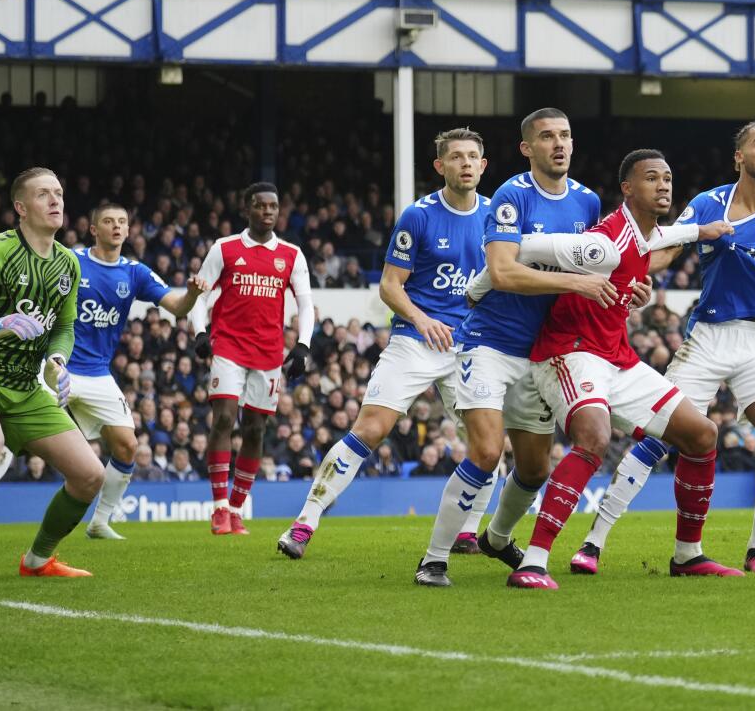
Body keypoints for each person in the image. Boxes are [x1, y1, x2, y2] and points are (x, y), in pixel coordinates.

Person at [578, 120, 755, 575]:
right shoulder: (708, 203)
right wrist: (628, 269)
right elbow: (669, 249)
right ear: (739, 157)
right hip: (708, 339)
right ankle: (593, 542)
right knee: (657, 438)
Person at [504, 149, 744, 588]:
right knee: (593, 437)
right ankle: (532, 562)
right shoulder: (608, 238)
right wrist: (484, 278)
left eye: (668, 178)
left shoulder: (638, 235)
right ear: (628, 189)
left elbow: (653, 243)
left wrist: (697, 231)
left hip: (618, 358)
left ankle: (688, 555)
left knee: (701, 434)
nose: (664, 185)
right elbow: (525, 247)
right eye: (652, 178)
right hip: (570, 351)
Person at [278, 128, 489, 563]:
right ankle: (304, 522)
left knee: (488, 441)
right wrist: (421, 319)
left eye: (473, 157)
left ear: (483, 166)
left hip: (471, 345)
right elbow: (390, 286)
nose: (466, 163)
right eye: (457, 157)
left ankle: (468, 531)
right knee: (370, 428)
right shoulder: (419, 215)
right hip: (416, 340)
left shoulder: (497, 217)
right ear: (440, 166)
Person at [443, 109, 605, 575]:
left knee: (534, 470)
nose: (559, 144)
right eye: (548, 136)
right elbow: (503, 272)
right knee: (487, 451)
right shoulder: (513, 196)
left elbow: (596, 265)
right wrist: (575, 283)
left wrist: (631, 287)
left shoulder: (588, 202)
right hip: (492, 342)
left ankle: (495, 538)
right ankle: (435, 558)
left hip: (544, 352)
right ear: (526, 148)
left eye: (566, 135)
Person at [0, 167, 103, 587]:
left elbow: (63, 327)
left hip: (25, 385)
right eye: (44, 194)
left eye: (59, 193)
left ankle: (39, 558)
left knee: (90, 475)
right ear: (21, 208)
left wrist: (58, 362)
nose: (56, 201)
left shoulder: (67, 264)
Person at [67, 201, 203, 540]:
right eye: (109, 221)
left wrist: (191, 293)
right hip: (58, 366)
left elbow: (177, 307)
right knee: (15, 437)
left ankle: (99, 521)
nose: (116, 226)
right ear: (93, 229)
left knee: (127, 445)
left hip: (98, 373)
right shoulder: (71, 261)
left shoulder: (135, 272)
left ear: (128, 230)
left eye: (122, 222)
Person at [190, 183, 315, 537]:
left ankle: (236, 508)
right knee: (225, 417)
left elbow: (306, 304)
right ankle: (218, 508)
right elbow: (200, 295)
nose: (267, 212)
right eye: (260, 206)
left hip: (268, 352)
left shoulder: (291, 254)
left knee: (256, 429)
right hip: (228, 346)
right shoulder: (225, 248)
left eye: (273, 207)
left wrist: (303, 345)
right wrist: (201, 332)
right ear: (247, 209)